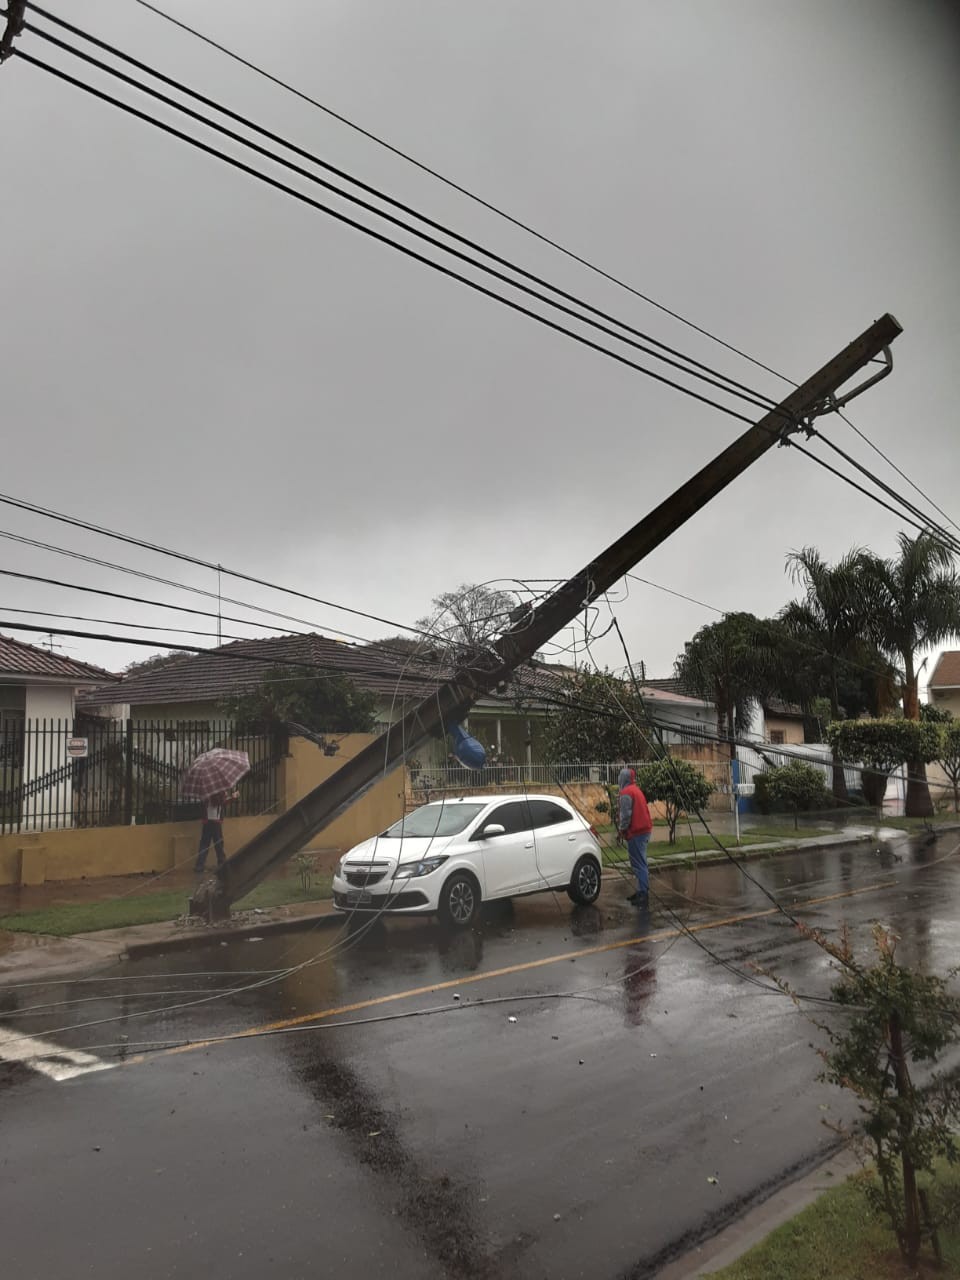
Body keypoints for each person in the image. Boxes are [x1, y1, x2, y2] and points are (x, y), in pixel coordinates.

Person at [617, 767, 652, 904]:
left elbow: (626, 815)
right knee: (640, 862)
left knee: (639, 864)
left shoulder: (626, 792)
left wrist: (621, 829)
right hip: (643, 830)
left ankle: (643, 894)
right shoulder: (636, 790)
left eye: (620, 776)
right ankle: (641, 891)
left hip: (637, 831)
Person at [195, 789, 238, 874]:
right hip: (215, 821)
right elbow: (220, 802)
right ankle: (222, 864)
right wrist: (231, 797)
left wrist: (227, 796)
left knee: (204, 844)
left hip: (207, 821)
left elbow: (205, 802)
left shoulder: (205, 790)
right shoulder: (218, 790)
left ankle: (199, 866)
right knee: (218, 844)